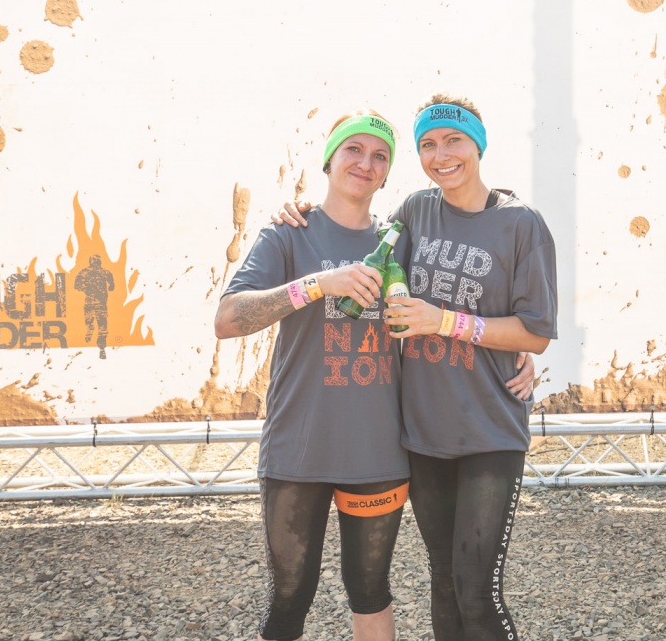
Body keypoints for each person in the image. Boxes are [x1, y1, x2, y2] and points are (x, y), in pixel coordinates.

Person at [215, 110, 535, 641]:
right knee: (290, 597)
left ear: (387, 173)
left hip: (378, 455)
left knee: (370, 590)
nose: (366, 163)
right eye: (354, 150)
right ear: (329, 159)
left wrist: (517, 348)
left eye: (380, 156)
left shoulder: (400, 238)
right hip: (299, 450)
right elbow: (227, 320)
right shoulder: (289, 233)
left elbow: (461, 296)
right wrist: (318, 284)